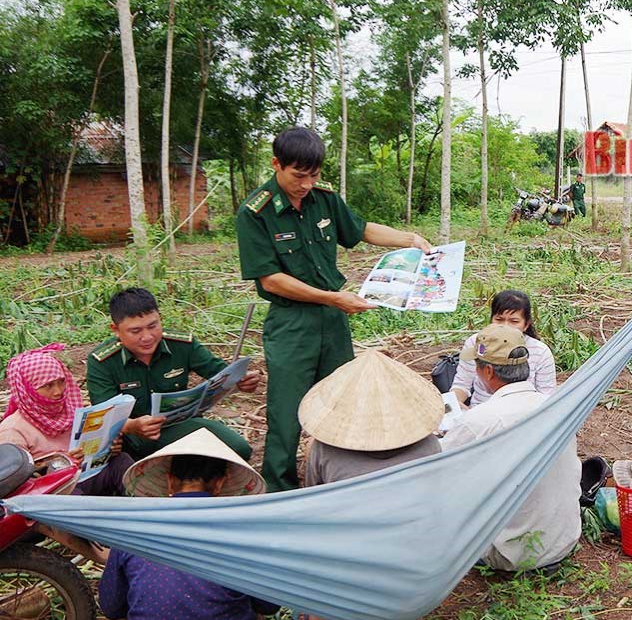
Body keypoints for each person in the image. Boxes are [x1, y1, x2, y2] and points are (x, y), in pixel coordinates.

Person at [235, 126, 432, 491]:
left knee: (344, 402)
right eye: (298, 175)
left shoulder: (323, 198)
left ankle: (342, 482)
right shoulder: (255, 212)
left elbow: (361, 229)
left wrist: (410, 239)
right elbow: (271, 280)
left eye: (313, 175)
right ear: (276, 164)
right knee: (286, 413)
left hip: (333, 320)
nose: (306, 184)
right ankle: (280, 491)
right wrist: (332, 298)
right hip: (292, 323)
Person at [100, 430, 276, 620]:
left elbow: (111, 606)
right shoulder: (242, 534)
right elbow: (268, 605)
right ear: (220, 483)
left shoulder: (134, 529)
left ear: (170, 481)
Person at [293, 349, 442, 620]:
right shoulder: (430, 447)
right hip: (405, 556)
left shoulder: (325, 451)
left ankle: (334, 615)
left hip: (349, 552)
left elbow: (313, 505)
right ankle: (371, 613)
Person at [443, 324, 580, 572]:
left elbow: (437, 465)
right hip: (562, 542)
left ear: (487, 371)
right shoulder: (557, 409)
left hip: (507, 553)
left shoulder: (480, 420)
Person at [86, 288, 259, 462]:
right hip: (129, 437)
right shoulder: (103, 361)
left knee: (238, 449)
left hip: (179, 426)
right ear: (116, 329)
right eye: (136, 331)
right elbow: (103, 415)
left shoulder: (181, 345)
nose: (147, 337)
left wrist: (242, 382)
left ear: (160, 318)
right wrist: (132, 426)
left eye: (153, 326)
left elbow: (221, 373)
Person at [1, 343, 133, 496]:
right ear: (28, 390)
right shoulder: (12, 431)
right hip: (56, 493)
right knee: (71, 496)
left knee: (122, 462)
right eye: (48, 386)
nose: (58, 391)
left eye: (61, 382)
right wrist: (61, 464)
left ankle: (147, 506)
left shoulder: (71, 412)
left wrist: (108, 447)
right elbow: (16, 484)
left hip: (86, 476)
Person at [449, 290, 557, 408]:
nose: (505, 326)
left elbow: (547, 396)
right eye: (499, 319)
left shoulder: (540, 352)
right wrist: (455, 405)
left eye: (514, 321)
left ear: (526, 324)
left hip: (523, 413)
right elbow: (462, 383)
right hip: (480, 410)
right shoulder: (476, 343)